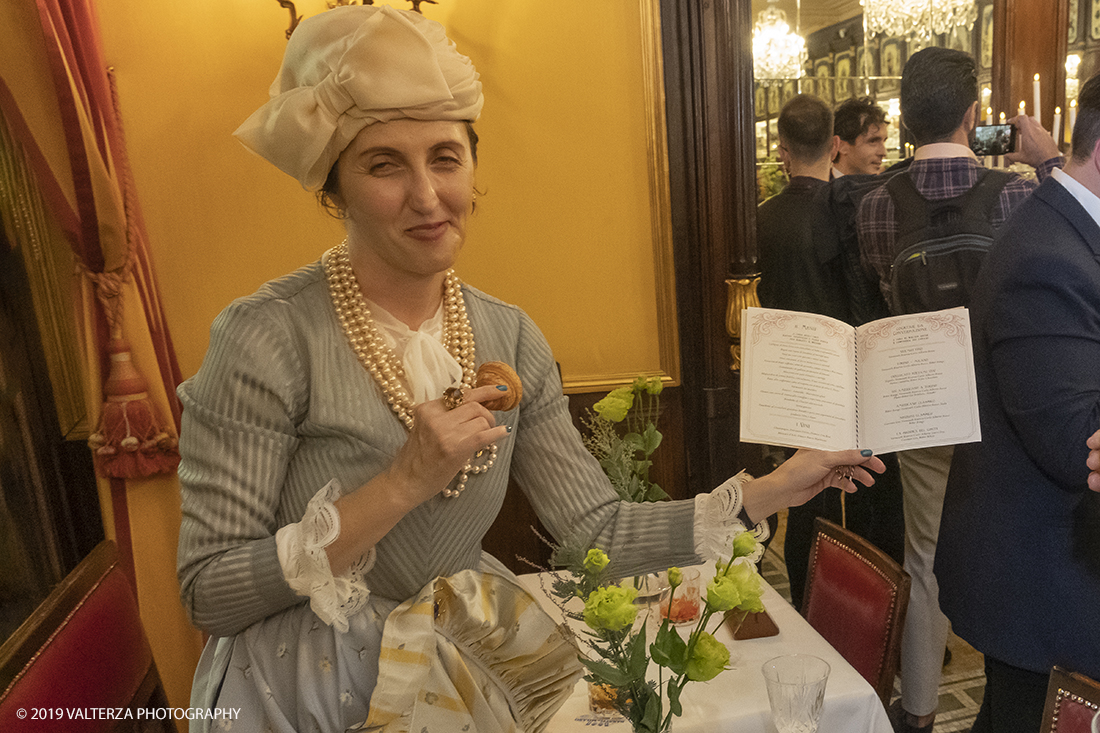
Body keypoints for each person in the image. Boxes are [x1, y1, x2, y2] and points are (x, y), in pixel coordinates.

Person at [175, 7, 886, 732]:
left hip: (465, 672)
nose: (426, 196)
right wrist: (400, 483)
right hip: (311, 692)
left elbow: (591, 527)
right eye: (384, 163)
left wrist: (767, 490)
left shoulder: (508, 334)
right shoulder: (264, 337)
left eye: (445, 158)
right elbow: (210, 591)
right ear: (335, 186)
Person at [854, 46, 1064, 733]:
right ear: (975, 115)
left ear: (905, 120)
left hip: (917, 403)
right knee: (1011, 546)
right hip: (1002, 407)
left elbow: (882, 287)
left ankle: (916, 710)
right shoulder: (1015, 191)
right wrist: (1050, 160)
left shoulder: (877, 202)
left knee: (923, 555)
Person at [935, 72, 1100, 733]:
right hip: (1048, 586)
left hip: (1045, 576)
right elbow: (1078, 442)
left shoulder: (1067, 233)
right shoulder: (1048, 255)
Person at [756, 94, 905, 608]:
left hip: (796, 379)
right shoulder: (862, 213)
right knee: (872, 498)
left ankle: (807, 608)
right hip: (862, 375)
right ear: (835, 144)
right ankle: (870, 617)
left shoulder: (764, 219)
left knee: (806, 502)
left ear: (782, 147)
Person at [832, 96, 888, 177]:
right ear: (841, 146)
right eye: (873, 141)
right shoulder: (820, 188)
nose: (883, 152)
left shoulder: (884, 187)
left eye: (884, 141)